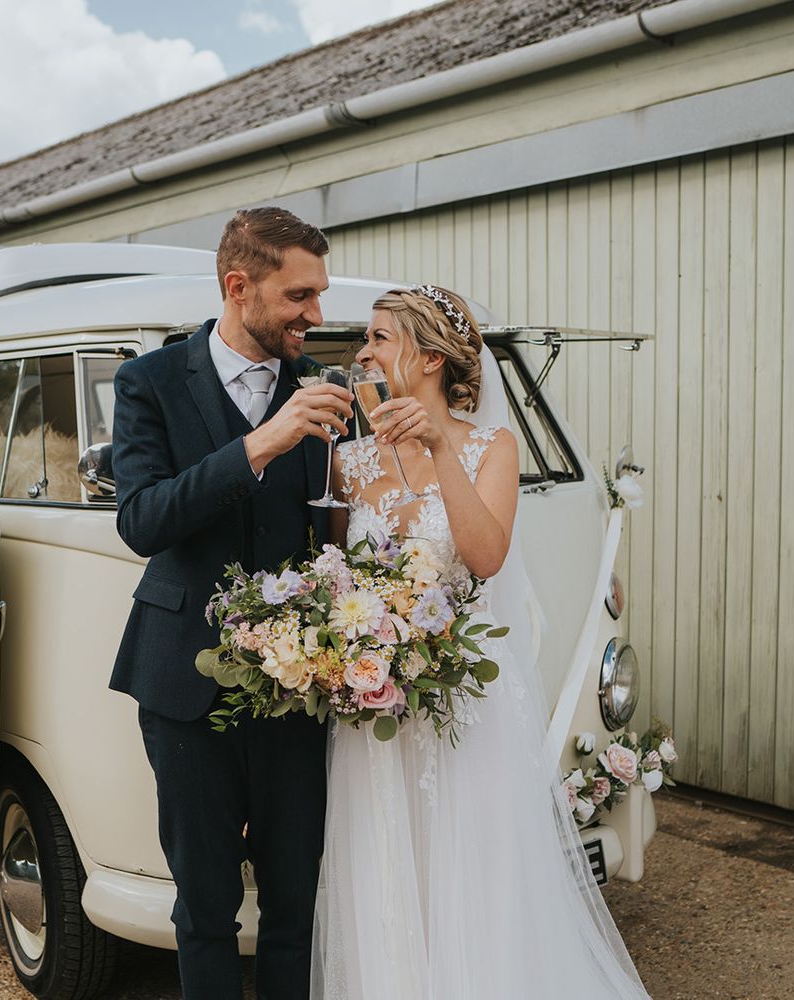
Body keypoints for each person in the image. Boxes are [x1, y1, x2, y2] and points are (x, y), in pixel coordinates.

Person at [311, 285, 651, 999]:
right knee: (385, 868)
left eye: (377, 337)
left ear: (430, 357)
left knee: (470, 868)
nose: (362, 353)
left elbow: (486, 554)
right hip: (377, 708)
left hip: (464, 702)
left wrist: (437, 448)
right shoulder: (349, 463)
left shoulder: (492, 445)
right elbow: (340, 577)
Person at [110, 207, 354, 1000]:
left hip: (296, 688)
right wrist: (260, 443)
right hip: (183, 685)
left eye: (319, 295)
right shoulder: (147, 382)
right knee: (206, 904)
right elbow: (142, 521)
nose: (316, 316)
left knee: (293, 903)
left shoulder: (324, 389)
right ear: (238, 286)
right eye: (300, 295)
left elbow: (335, 534)